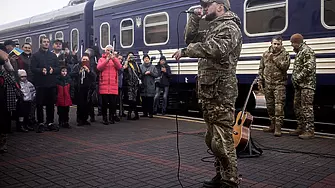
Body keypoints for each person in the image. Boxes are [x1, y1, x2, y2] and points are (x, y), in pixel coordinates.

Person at [172, 0, 242, 187]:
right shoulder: (214, 28)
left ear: (220, 6)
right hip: (210, 93)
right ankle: (220, 176)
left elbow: (216, 48)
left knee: (223, 139)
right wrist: (194, 18)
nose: (203, 8)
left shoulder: (229, 27)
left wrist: (186, 52)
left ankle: (231, 180)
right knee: (212, 139)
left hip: (221, 92)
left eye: (207, 5)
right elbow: (191, 38)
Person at [258, 36, 290, 137]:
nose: (276, 46)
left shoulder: (285, 54)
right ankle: (272, 124)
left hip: (279, 84)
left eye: (278, 44)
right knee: (270, 106)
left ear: (281, 44)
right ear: (271, 43)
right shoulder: (265, 54)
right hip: (268, 84)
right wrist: (260, 80)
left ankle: (278, 127)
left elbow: (285, 67)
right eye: (274, 43)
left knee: (279, 106)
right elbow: (261, 67)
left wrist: (275, 59)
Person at [289, 33, 316, 139]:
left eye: (292, 43)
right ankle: (301, 127)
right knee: (297, 107)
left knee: (306, 108)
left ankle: (309, 130)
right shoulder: (300, 52)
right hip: (300, 86)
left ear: (296, 42)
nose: (292, 46)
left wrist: (298, 77)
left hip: (306, 85)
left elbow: (309, 67)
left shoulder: (307, 51)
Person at [31, 36, 60, 133]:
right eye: (44, 42)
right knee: (39, 104)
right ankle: (40, 123)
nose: (46, 43)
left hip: (51, 84)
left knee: (50, 104)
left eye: (47, 42)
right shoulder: (35, 56)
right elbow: (32, 69)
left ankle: (50, 122)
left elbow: (58, 68)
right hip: (40, 84)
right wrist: (40, 70)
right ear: (41, 43)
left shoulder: (53, 56)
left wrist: (53, 70)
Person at [97, 45, 122, 125]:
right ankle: (105, 118)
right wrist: (107, 60)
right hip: (104, 85)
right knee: (104, 104)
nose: (108, 52)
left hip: (113, 85)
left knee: (113, 104)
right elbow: (99, 68)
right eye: (107, 50)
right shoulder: (101, 59)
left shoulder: (115, 59)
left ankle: (112, 117)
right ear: (105, 51)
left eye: (110, 50)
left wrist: (113, 58)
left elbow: (119, 67)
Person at [71, 54, 96, 126]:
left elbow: (94, 76)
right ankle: (79, 120)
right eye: (83, 59)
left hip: (88, 89)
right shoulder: (77, 66)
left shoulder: (90, 67)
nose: (84, 61)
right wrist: (78, 72)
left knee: (87, 105)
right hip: (79, 88)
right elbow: (72, 74)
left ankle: (85, 119)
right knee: (80, 105)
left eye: (86, 59)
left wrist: (88, 71)